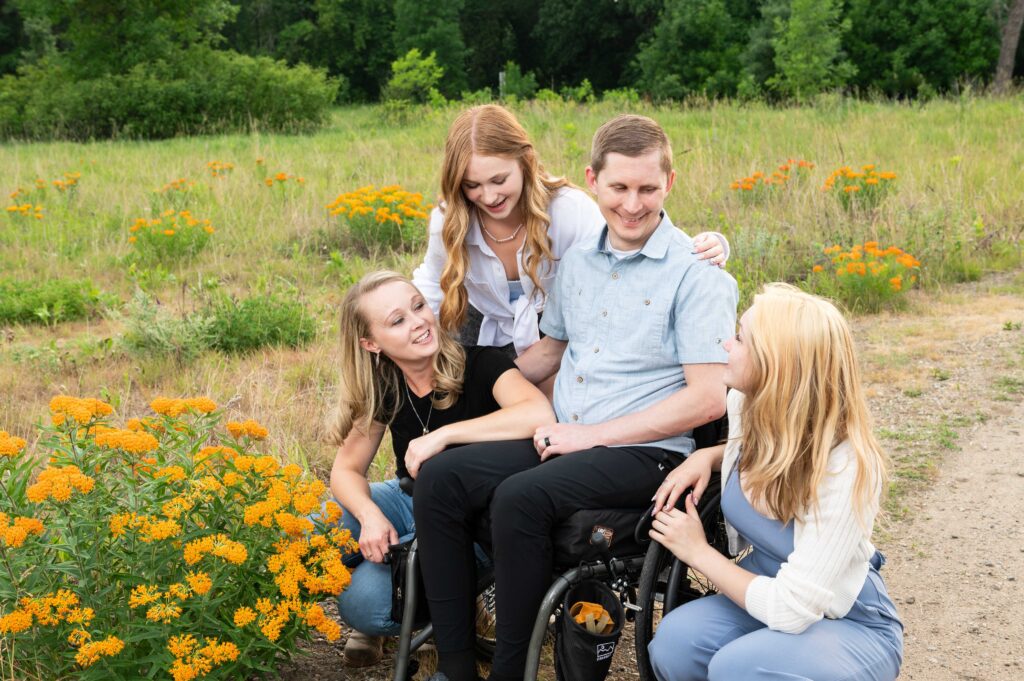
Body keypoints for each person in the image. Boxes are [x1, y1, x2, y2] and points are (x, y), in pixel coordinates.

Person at [412, 114, 738, 681]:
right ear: (593, 180)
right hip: (565, 435)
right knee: (442, 477)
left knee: (520, 498)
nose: (632, 204)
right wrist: (470, 397)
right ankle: (456, 668)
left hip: (647, 453)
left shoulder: (698, 275)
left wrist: (589, 437)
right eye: (619, 188)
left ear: (670, 183)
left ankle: (511, 672)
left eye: (647, 188)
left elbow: (708, 400)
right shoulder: (579, 259)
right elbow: (550, 350)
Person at [646, 283, 903, 681]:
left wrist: (698, 552)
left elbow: (792, 609)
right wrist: (709, 457)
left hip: (844, 617)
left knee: (738, 669)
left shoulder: (848, 463)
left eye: (739, 338)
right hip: (762, 584)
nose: (726, 344)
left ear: (776, 364)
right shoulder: (746, 404)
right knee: (675, 644)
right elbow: (763, 452)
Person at [324, 270, 555, 667]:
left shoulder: (482, 363)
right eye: (397, 321)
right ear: (371, 343)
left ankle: (420, 603)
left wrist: (444, 437)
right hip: (408, 499)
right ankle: (393, 570)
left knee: (365, 604)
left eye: (418, 307)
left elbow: (538, 414)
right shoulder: (387, 383)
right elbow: (345, 468)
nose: (418, 323)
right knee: (318, 523)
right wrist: (371, 516)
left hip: (473, 528)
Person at [412, 104, 729, 357]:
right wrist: (409, 332)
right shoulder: (449, 220)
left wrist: (709, 246)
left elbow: (627, 236)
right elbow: (431, 283)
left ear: (525, 163)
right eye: (472, 185)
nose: (490, 196)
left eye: (499, 180)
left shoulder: (567, 210)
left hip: (552, 332)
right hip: (478, 326)